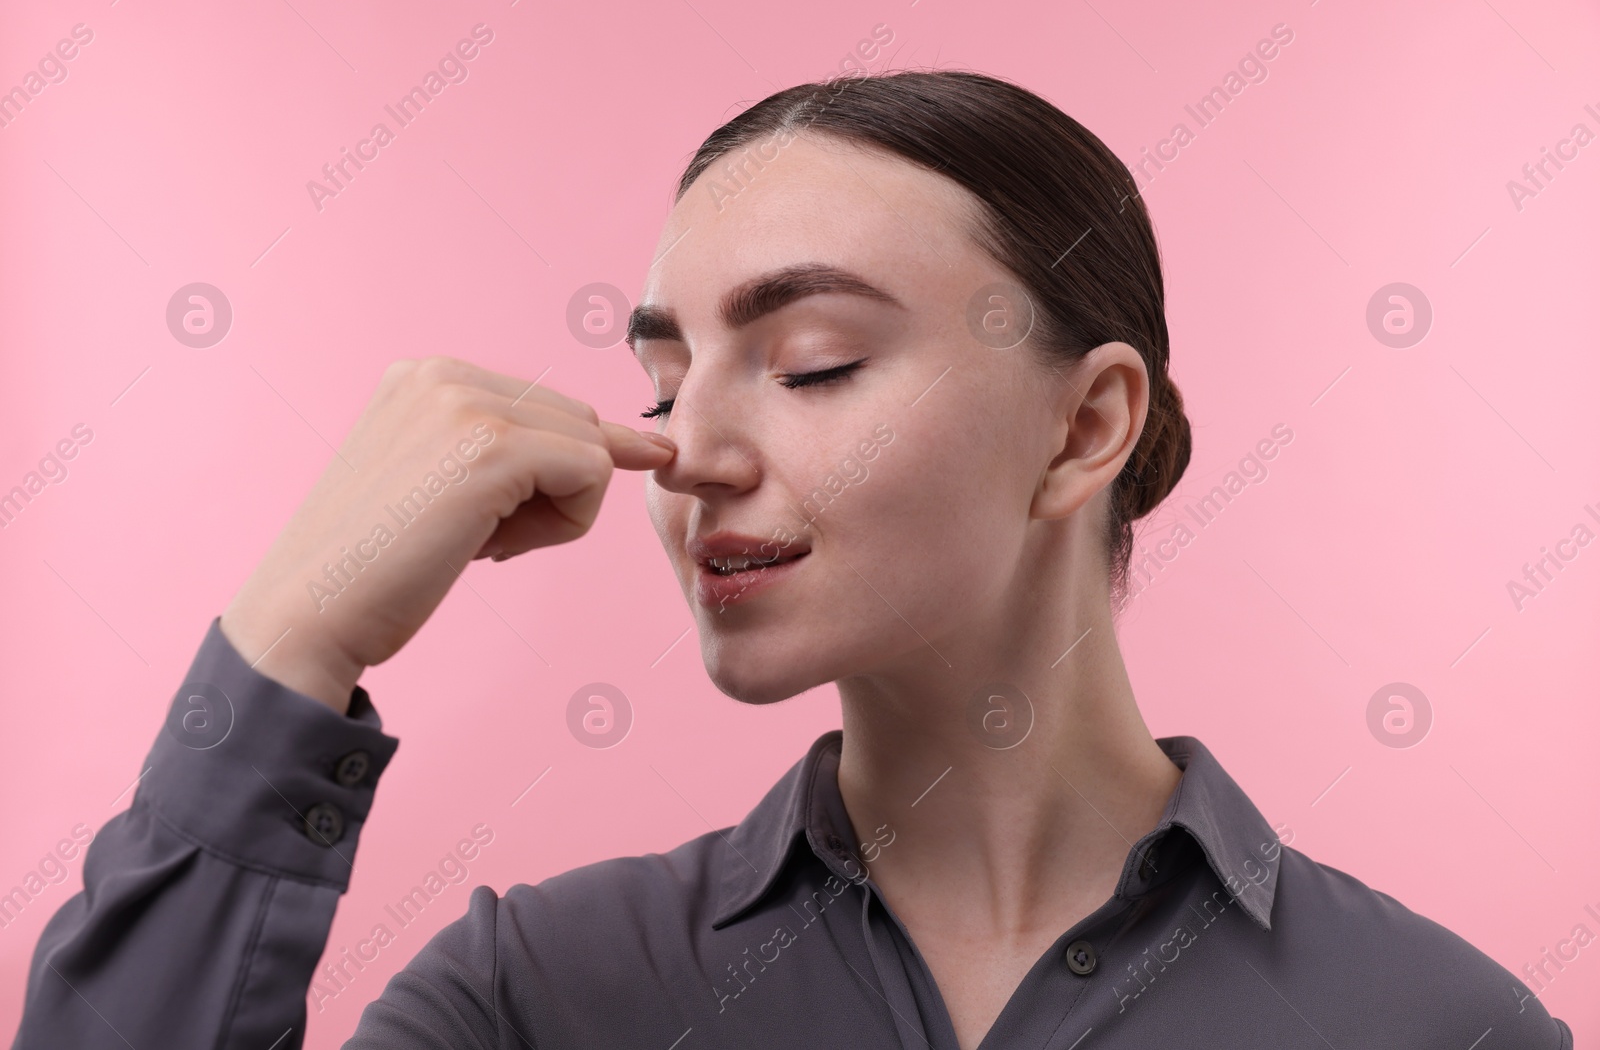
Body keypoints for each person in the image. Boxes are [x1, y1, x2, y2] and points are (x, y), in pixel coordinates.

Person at [12, 69, 1573, 1050]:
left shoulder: (1443, 1025)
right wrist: (294, 637)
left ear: (1088, 426)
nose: (684, 448)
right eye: (662, 379)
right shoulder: (536, 996)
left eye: (813, 360)